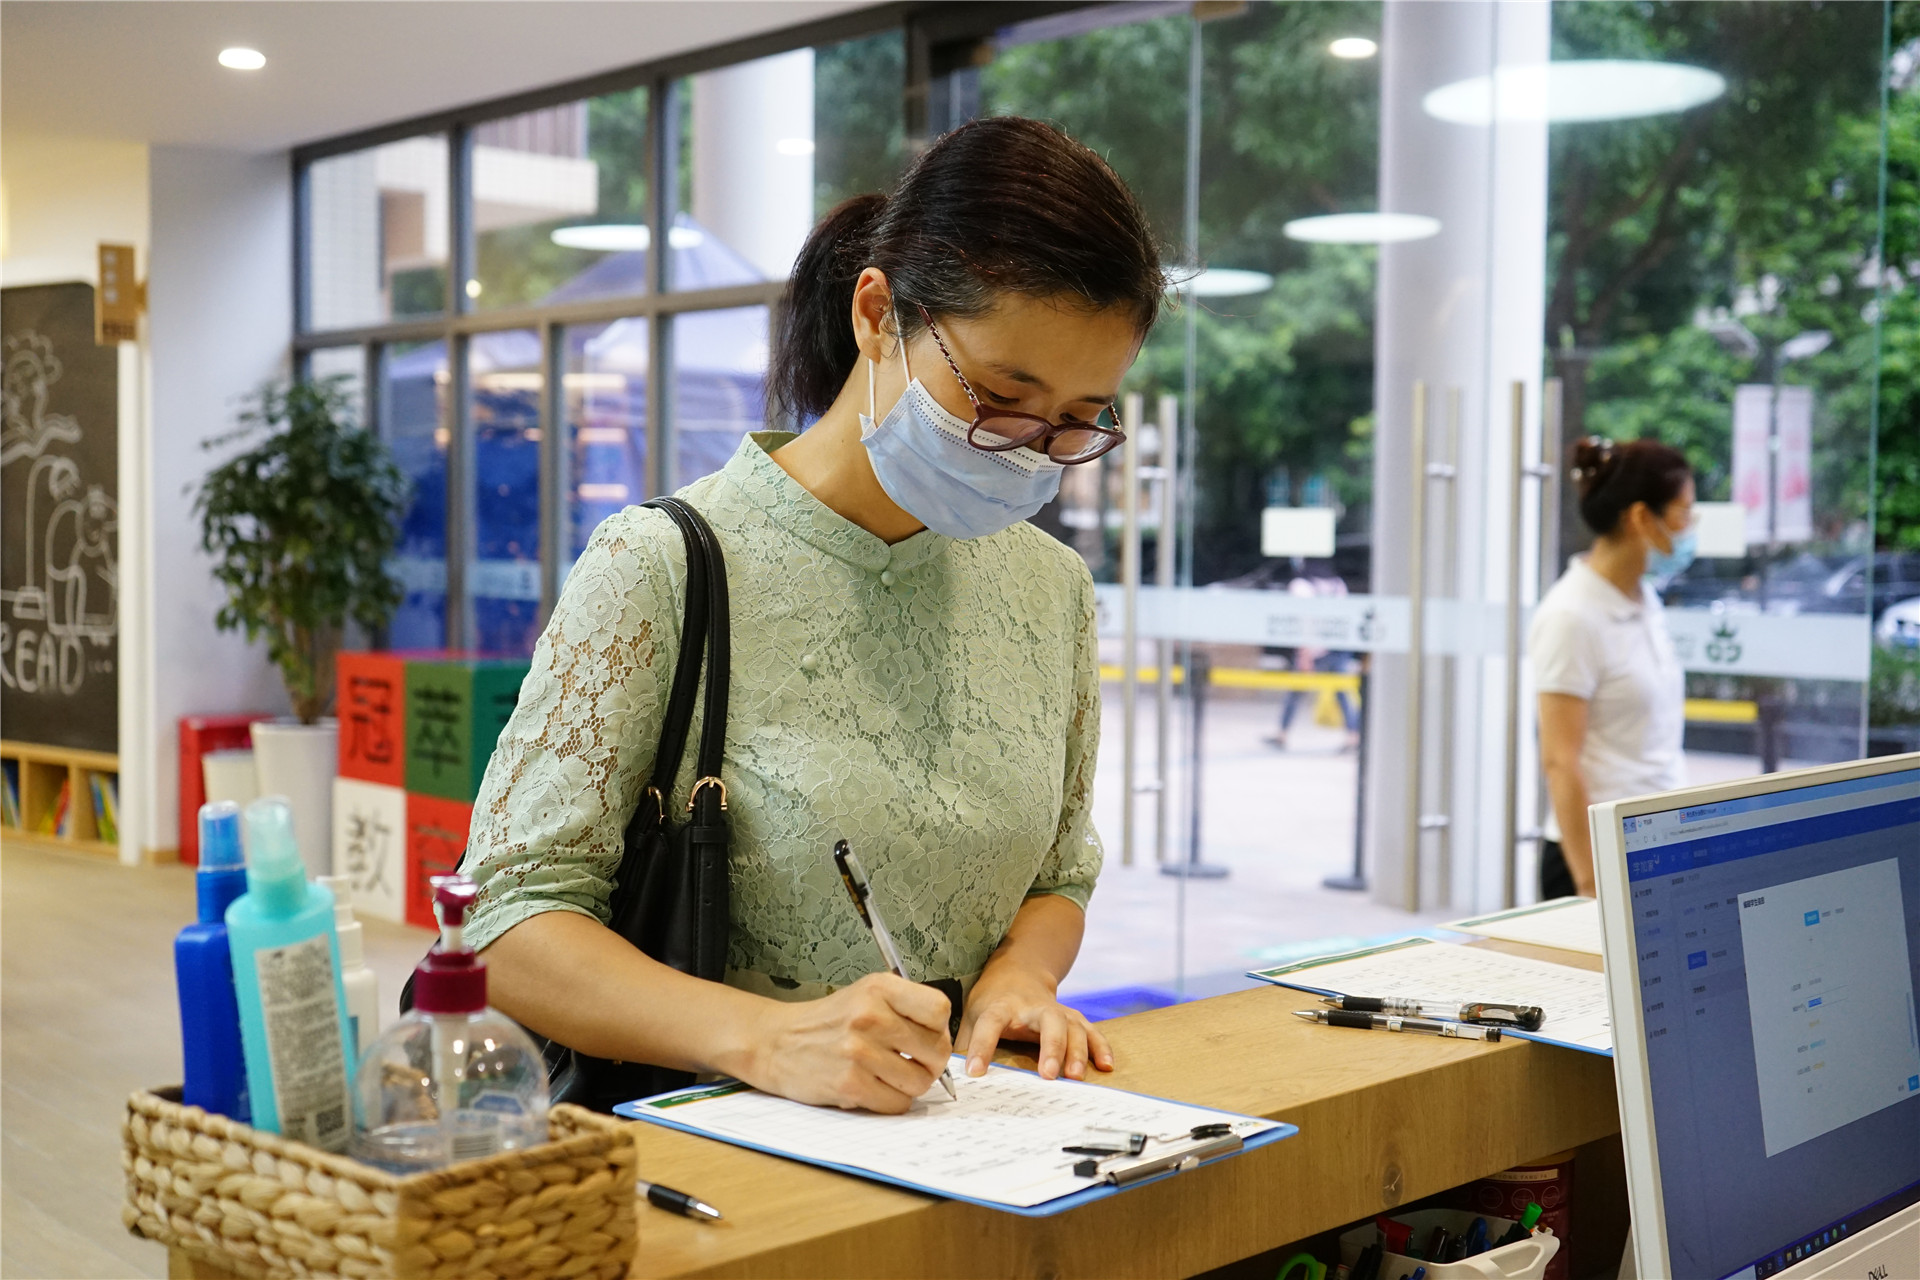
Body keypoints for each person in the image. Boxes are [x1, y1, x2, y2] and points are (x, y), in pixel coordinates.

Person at [457, 117, 1165, 1115]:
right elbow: (503, 918)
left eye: (1080, 418)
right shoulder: (663, 563)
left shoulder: (1050, 589)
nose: (1031, 449)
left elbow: (1058, 869)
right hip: (723, 1177)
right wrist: (765, 1037)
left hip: (967, 1155)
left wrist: (1020, 978)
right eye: (1003, 396)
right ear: (878, 313)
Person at [1530, 436, 1696, 899]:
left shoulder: (1645, 599)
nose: (1691, 528)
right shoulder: (1571, 615)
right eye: (1684, 512)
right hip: (1597, 858)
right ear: (1642, 518)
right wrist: (1588, 883)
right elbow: (1560, 762)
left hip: (1661, 844)